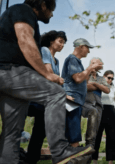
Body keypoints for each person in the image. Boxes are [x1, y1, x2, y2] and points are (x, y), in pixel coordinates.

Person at [0, 1, 94, 163]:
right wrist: (46, 74)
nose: (52, 14)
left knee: (11, 134)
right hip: (10, 71)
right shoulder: (23, 10)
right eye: (52, 9)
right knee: (56, 93)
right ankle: (60, 150)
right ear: (43, 4)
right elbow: (25, 39)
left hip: (11, 82)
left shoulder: (20, 14)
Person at [25, 30, 70, 164]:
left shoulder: (57, 60)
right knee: (19, 128)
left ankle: (31, 160)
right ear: (52, 41)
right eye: (60, 41)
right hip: (36, 96)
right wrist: (58, 80)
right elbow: (48, 72)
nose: (62, 45)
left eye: (64, 43)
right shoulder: (44, 50)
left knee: (40, 132)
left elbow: (56, 80)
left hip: (48, 101)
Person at [61, 38, 102, 148]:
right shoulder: (72, 59)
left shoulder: (78, 62)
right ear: (81, 46)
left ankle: (83, 149)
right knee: (73, 134)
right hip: (71, 101)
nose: (89, 51)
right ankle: (76, 155)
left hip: (77, 101)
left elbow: (83, 83)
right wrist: (90, 67)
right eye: (88, 48)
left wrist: (90, 72)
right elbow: (78, 79)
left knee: (74, 132)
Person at [73, 57, 110, 163]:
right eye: (92, 63)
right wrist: (96, 86)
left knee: (95, 131)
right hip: (85, 104)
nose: (94, 65)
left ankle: (88, 154)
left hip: (98, 105)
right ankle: (84, 146)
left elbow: (107, 90)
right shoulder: (84, 74)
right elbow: (83, 87)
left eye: (96, 63)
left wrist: (96, 84)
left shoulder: (101, 78)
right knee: (90, 115)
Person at [92, 70, 115, 164]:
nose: (110, 80)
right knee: (97, 136)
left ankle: (110, 161)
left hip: (111, 112)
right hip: (100, 110)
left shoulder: (114, 88)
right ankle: (94, 160)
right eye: (109, 77)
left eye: (112, 78)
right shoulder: (99, 87)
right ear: (104, 77)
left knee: (111, 137)